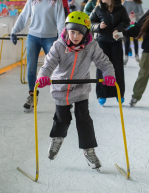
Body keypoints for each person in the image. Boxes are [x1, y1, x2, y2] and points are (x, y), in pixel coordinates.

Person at [36, 11, 116, 169]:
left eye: (79, 33)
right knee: (62, 118)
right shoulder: (59, 45)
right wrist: (43, 76)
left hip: (80, 87)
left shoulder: (91, 45)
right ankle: (57, 139)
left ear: (86, 32)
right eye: (72, 32)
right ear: (67, 30)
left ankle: (89, 150)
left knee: (84, 119)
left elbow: (103, 61)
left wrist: (108, 74)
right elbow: (49, 63)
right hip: (61, 88)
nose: (75, 36)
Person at [11, 0, 65, 112]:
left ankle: (62, 96)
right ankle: (32, 96)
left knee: (57, 68)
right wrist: (14, 30)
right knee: (31, 68)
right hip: (33, 37)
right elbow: (23, 17)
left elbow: (60, 20)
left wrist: (63, 38)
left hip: (50, 38)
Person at [90, 0, 130, 106]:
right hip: (102, 41)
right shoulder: (98, 8)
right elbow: (90, 22)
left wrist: (118, 28)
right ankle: (102, 94)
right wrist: (98, 26)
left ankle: (119, 93)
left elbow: (126, 22)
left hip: (116, 42)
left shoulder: (121, 8)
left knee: (117, 67)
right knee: (102, 67)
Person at [122, 0, 144, 64]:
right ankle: (126, 56)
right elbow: (121, 12)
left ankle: (137, 55)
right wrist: (127, 16)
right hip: (127, 24)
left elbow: (142, 13)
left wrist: (135, 15)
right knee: (126, 40)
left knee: (135, 39)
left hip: (135, 24)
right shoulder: (124, 2)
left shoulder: (137, 2)